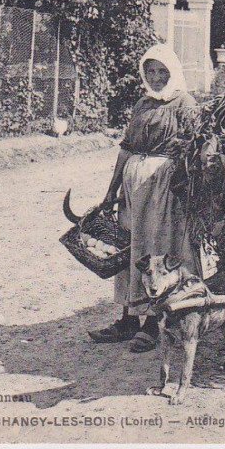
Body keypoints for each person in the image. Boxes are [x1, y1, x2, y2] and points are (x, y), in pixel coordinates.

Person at [88, 43, 200, 352]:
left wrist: (179, 178)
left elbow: (194, 147)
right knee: (129, 248)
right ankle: (127, 318)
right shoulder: (142, 104)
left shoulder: (184, 104)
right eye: (150, 71)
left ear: (173, 72)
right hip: (133, 186)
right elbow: (126, 147)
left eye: (162, 71)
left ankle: (154, 323)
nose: (156, 77)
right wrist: (112, 189)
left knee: (156, 247)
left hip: (164, 186)